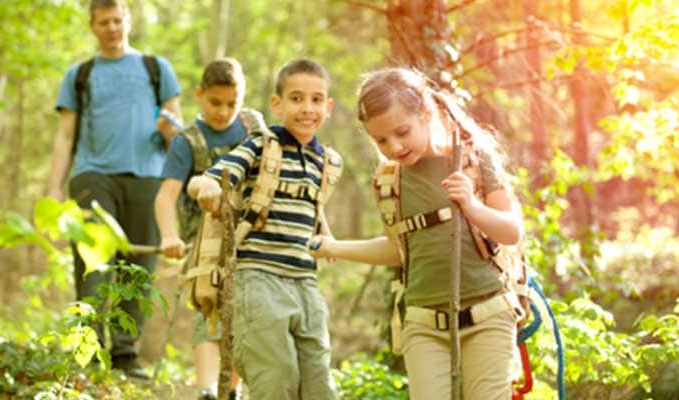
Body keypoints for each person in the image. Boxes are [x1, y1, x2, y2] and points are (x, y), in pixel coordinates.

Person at [308, 67, 525, 400]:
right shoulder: (388, 180)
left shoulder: (471, 157)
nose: (394, 147)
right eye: (381, 140)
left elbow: (512, 231)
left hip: (488, 314)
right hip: (424, 323)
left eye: (402, 132)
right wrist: (335, 246)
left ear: (425, 112)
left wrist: (471, 205)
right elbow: (398, 249)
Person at [187, 58, 341, 400]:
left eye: (317, 100)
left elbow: (314, 205)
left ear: (328, 107)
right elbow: (213, 175)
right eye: (297, 98)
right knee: (275, 376)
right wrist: (207, 186)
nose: (307, 108)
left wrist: (326, 236)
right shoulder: (262, 145)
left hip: (305, 282)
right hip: (259, 278)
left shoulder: (326, 160)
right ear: (277, 104)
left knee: (318, 380)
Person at [47, 0, 182, 379]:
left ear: (129, 21)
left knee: (138, 268)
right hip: (94, 175)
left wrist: (170, 132)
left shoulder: (156, 69)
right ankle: (86, 352)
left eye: (117, 20)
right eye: (103, 22)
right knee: (93, 262)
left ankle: (125, 354)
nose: (111, 28)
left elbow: (178, 129)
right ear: (92, 27)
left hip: (148, 177)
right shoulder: (80, 74)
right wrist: (53, 189)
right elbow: (65, 135)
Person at [154, 58, 249, 400]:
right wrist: (169, 235)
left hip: (250, 239)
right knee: (208, 308)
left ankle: (233, 389)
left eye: (231, 104)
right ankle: (206, 387)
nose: (223, 112)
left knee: (243, 313)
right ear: (199, 96)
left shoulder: (253, 130)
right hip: (203, 242)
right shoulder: (188, 141)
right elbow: (166, 197)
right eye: (215, 103)